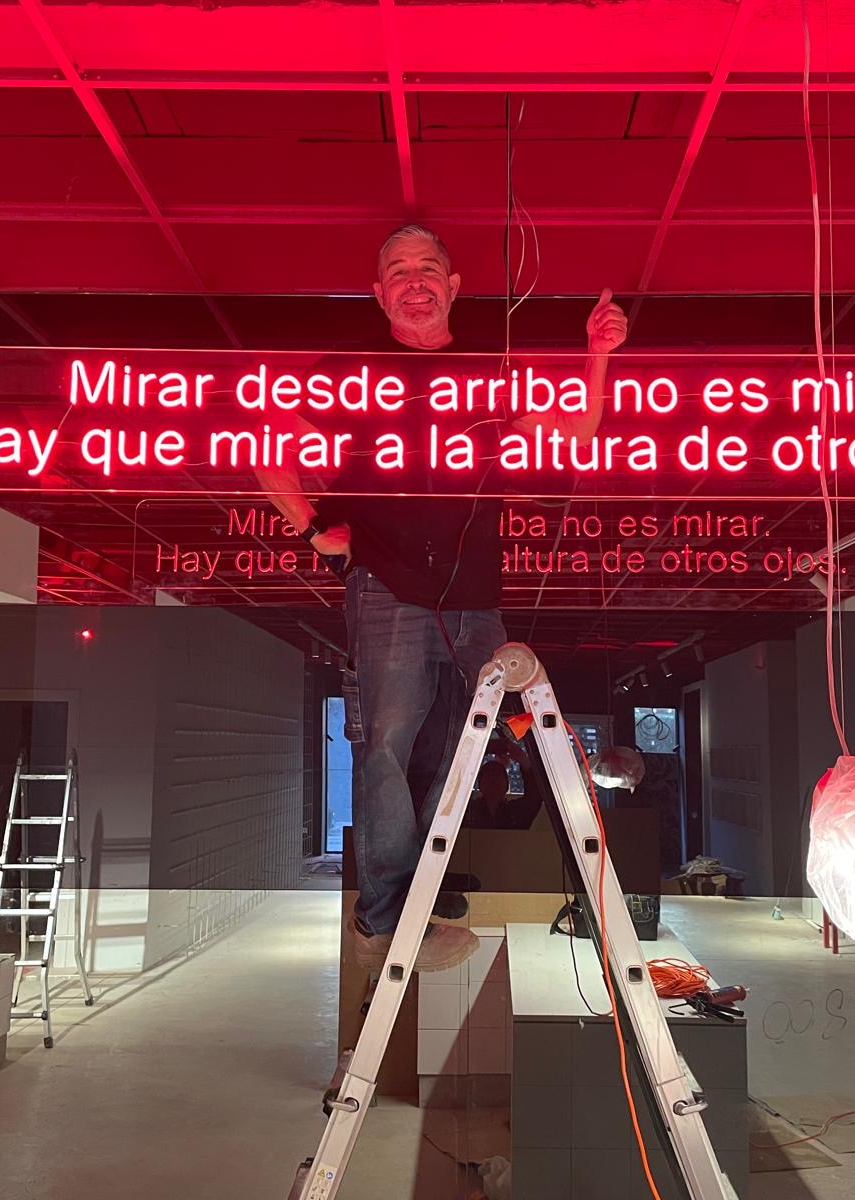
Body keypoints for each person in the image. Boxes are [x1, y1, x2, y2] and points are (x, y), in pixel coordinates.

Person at [257, 224, 627, 970]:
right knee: (388, 747)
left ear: (453, 286)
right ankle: (383, 919)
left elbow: (576, 431)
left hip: (473, 592)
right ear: (379, 293)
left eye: (427, 268)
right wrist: (311, 528)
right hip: (388, 584)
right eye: (398, 270)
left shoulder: (490, 369)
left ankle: (413, 900)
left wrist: (598, 355)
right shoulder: (351, 371)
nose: (414, 281)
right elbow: (268, 440)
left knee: (460, 746)